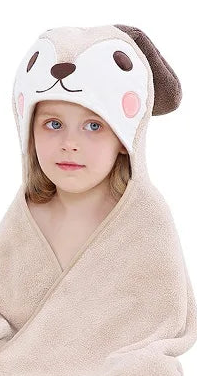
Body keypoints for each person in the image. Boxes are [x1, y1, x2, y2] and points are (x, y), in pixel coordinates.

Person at [25, 99, 130, 271]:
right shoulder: (24, 217)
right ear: (30, 132)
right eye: (54, 124)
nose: (69, 144)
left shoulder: (144, 225)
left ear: (124, 137)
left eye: (94, 126)